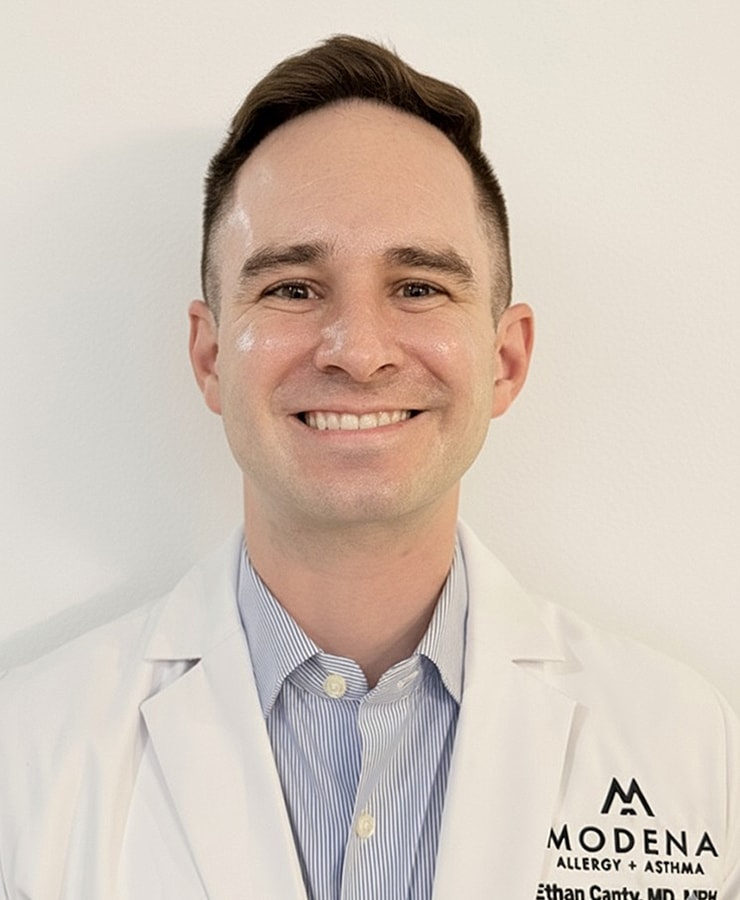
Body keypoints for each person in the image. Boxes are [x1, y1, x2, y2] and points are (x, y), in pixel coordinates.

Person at [0, 34, 737, 900]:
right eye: (292, 288)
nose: (358, 351)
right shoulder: (27, 754)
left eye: (419, 286)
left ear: (505, 359)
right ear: (208, 357)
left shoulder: (686, 744)